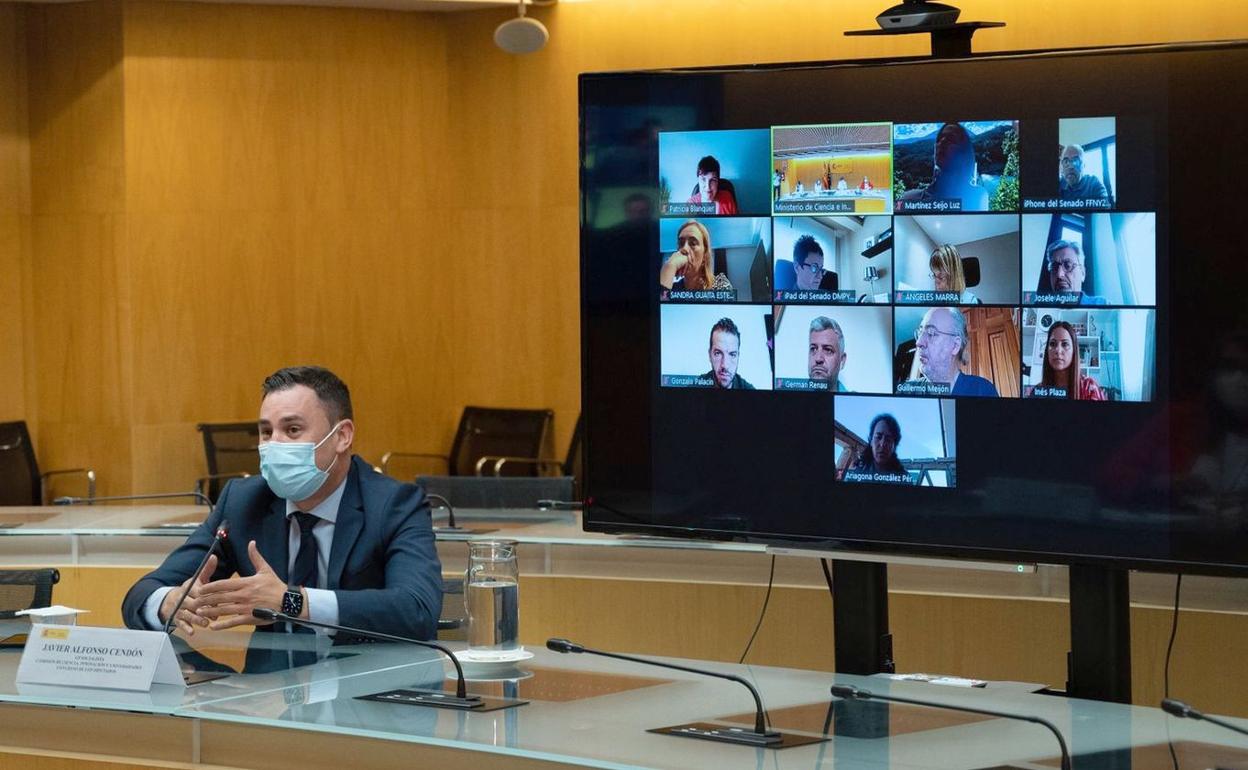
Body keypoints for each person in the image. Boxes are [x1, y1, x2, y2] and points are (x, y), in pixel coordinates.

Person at [121, 366, 443, 640]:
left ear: (342, 436)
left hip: (369, 698)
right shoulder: (244, 501)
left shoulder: (394, 504)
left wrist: (292, 602)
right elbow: (141, 594)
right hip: (270, 698)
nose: (274, 444)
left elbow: (417, 610)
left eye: (292, 430)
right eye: (265, 432)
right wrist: (170, 601)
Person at [905, 307, 998, 396]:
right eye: (920, 332)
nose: (918, 342)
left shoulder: (983, 390)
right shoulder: (907, 390)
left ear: (955, 346)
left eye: (931, 333)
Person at [898, 122, 989, 210]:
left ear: (964, 152)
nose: (942, 142)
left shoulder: (978, 196)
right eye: (939, 139)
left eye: (950, 139)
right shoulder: (909, 199)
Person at [1025, 321, 1105, 400]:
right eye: (1052, 344)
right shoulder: (1038, 390)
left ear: (1074, 351)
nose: (1058, 350)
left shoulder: (1089, 387)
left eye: (1065, 344)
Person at [659, 220, 733, 292]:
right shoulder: (672, 288)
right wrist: (669, 266)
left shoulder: (720, 285)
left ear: (705, 254)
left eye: (693, 243)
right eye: (681, 243)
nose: (684, 249)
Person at [1045, 240, 1107, 305]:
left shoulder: (1103, 305)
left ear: (1083, 273)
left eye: (1068, 265)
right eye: (1054, 267)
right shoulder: (1041, 309)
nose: (1059, 274)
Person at [701, 317, 754, 390]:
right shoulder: (694, 387)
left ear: (738, 356)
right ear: (710, 355)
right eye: (718, 353)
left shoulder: (750, 391)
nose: (725, 366)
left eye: (732, 354)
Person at [808, 316, 848, 391]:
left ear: (842, 361)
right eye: (813, 349)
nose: (818, 359)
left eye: (828, 350)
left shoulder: (854, 401)